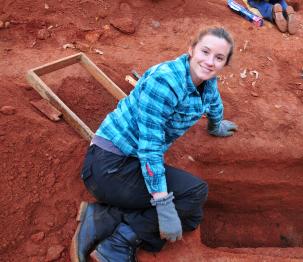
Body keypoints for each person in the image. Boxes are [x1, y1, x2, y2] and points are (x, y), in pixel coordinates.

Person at [70, 27, 238, 262]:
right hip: (110, 167)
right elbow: (149, 147)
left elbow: (213, 102)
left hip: (131, 164)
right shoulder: (165, 82)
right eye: (205, 51)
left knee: (190, 218)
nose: (210, 62)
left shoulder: (206, 82)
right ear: (191, 49)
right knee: (193, 194)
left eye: (219, 58)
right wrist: (163, 203)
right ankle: (116, 245)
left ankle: (104, 216)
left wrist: (215, 126)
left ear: (224, 63)